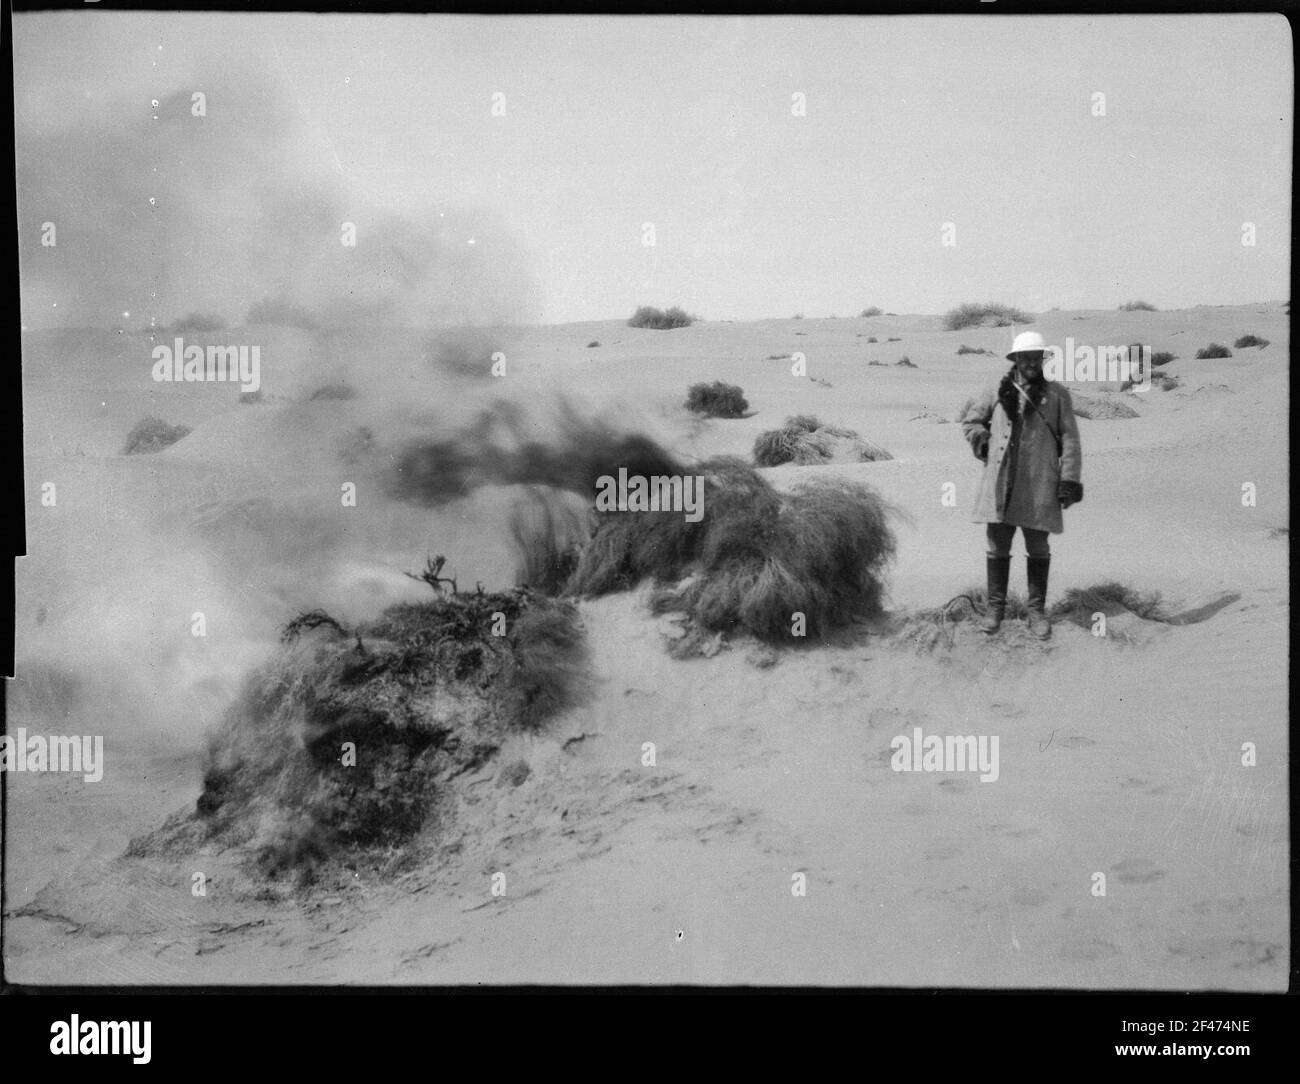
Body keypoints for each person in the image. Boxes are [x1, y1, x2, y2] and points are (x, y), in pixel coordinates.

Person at [959, 331, 1083, 638]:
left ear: (1043, 360)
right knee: (997, 546)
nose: (1030, 363)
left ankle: (1036, 613)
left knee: (1038, 547)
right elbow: (971, 421)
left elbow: (1070, 440)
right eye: (1024, 358)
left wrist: (1069, 480)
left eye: (1035, 358)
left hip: (1039, 485)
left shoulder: (1057, 395)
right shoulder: (995, 390)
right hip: (1001, 484)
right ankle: (995, 611)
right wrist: (982, 441)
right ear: (1015, 360)